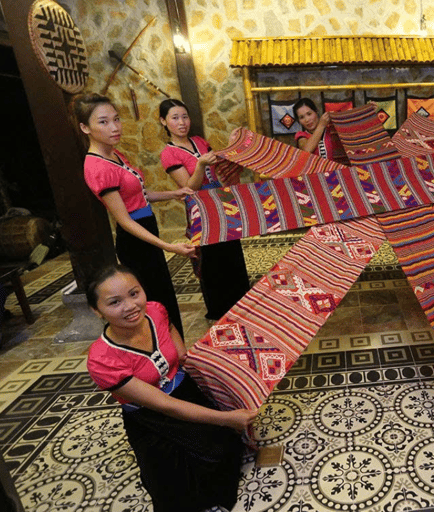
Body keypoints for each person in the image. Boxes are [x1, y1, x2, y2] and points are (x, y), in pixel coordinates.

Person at [86, 265, 257, 512]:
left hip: (184, 390)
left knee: (222, 451)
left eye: (134, 294)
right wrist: (227, 418)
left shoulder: (155, 311)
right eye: (115, 302)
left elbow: (169, 327)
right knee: (172, 484)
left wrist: (181, 352)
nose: (131, 306)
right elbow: (164, 405)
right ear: (96, 310)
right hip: (149, 416)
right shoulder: (102, 359)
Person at [75, 93, 193, 337]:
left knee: (164, 299)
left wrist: (173, 193)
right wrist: (168, 247)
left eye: (116, 119)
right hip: (136, 240)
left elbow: (138, 194)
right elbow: (125, 220)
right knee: (153, 303)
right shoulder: (97, 166)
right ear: (85, 127)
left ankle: (177, 355)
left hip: (146, 231)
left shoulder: (115, 154)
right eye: (104, 122)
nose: (115, 127)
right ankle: (165, 360)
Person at [159, 99, 251, 320]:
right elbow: (189, 188)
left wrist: (232, 146)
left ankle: (241, 303)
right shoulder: (169, 153)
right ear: (163, 122)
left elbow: (219, 168)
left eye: (185, 116)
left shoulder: (199, 141)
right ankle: (220, 309)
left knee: (232, 252)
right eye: (175, 118)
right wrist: (200, 164)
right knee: (211, 260)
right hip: (201, 210)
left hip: (221, 204)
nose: (182, 122)